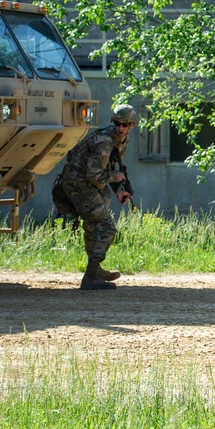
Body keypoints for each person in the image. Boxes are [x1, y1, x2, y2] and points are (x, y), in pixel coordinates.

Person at [59, 103, 137, 290]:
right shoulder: (105, 141)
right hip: (79, 185)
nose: (120, 128)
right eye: (117, 123)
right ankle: (90, 277)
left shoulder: (120, 141)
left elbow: (108, 167)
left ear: (131, 126)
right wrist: (115, 177)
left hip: (87, 184)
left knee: (94, 225)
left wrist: (119, 190)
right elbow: (94, 174)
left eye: (124, 125)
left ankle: (95, 269)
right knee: (107, 227)